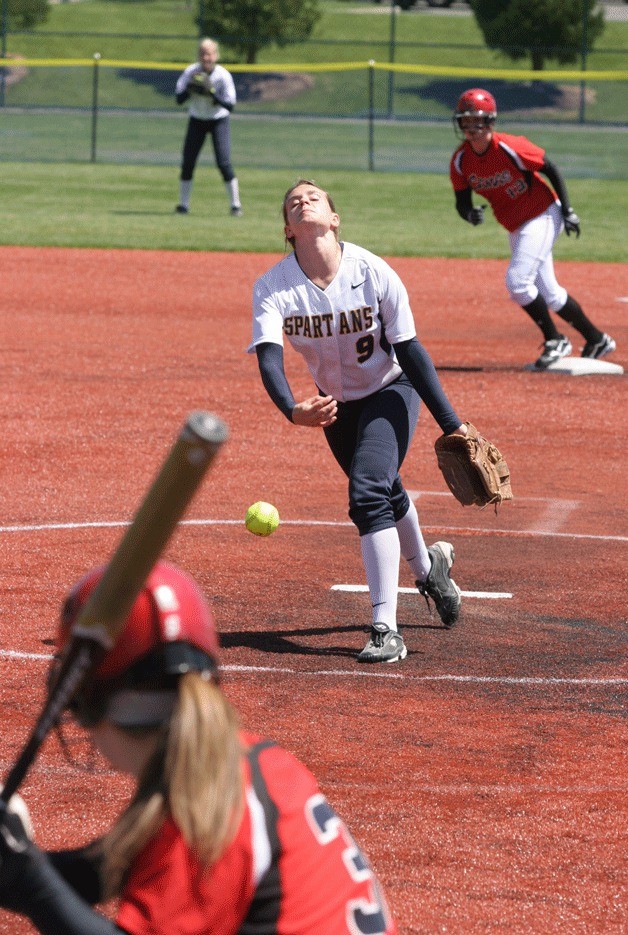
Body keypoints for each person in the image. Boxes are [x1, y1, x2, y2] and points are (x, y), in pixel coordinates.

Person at [0, 560, 398, 934]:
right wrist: (17, 869)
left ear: (93, 702)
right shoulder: (247, 760)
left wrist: (29, 878)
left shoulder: (203, 821)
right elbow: (110, 866)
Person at [250, 179, 468, 665]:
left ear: (333, 218)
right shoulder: (273, 287)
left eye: (314, 198)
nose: (303, 202)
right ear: (289, 230)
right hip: (335, 407)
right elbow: (269, 358)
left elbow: (409, 349)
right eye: (293, 203)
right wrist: (292, 409)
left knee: (367, 490)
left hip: (391, 390)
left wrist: (451, 423)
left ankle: (386, 629)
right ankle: (430, 567)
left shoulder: (373, 272)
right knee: (385, 489)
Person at [449, 88, 616, 370]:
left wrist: (568, 210)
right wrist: (470, 214)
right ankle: (597, 339)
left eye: (478, 121)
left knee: (518, 283)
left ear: (490, 122)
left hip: (543, 215)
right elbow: (461, 201)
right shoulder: (461, 161)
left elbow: (550, 168)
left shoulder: (509, 146)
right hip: (517, 225)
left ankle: (555, 339)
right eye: (466, 122)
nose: (472, 128)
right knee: (550, 293)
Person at [174, 38, 242, 217]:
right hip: (197, 120)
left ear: (216, 55)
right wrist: (190, 87)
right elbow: (179, 99)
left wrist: (212, 93)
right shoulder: (191, 72)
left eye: (210, 54)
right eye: (204, 54)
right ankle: (183, 205)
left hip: (218, 120)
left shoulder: (223, 75)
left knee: (223, 162)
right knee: (188, 162)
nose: (207, 58)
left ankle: (235, 205)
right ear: (199, 56)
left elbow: (230, 106)